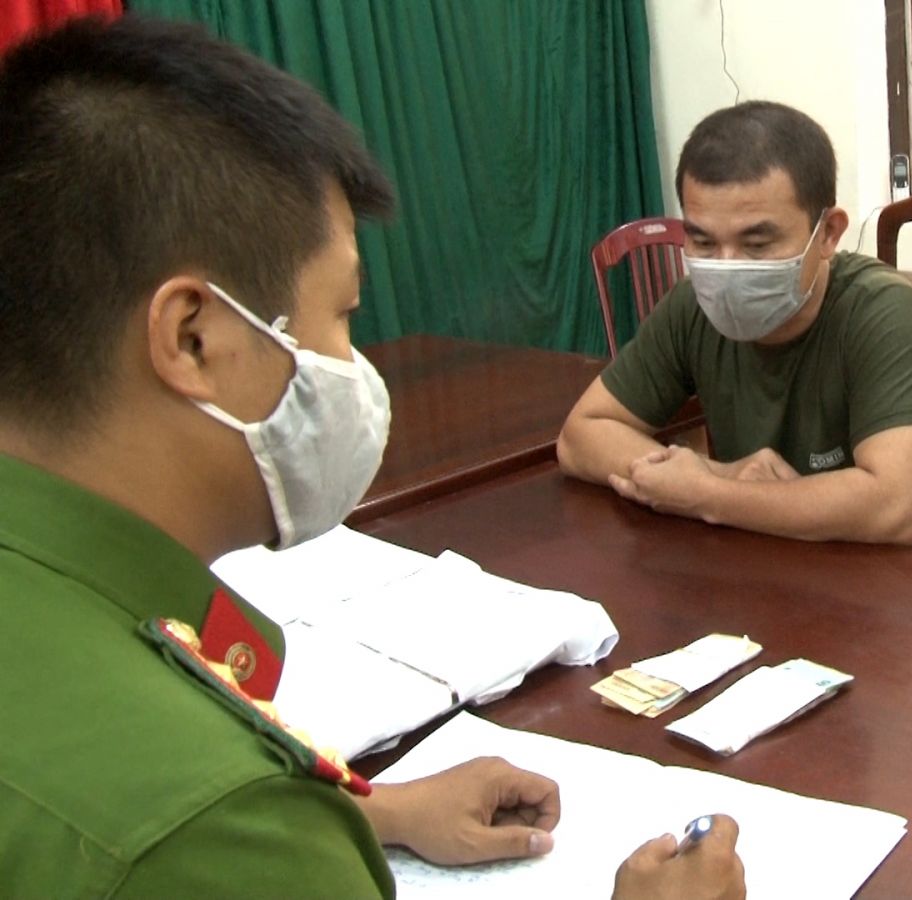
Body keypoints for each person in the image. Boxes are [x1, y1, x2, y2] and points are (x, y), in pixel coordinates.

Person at [0, 16, 743, 898]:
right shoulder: (223, 831)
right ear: (194, 338)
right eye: (343, 313)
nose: (353, 367)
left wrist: (372, 809)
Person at [557, 101, 912, 563]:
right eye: (703, 241)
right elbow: (581, 437)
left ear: (828, 234)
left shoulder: (883, 311)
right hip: (781, 558)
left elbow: (897, 509)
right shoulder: (691, 307)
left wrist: (706, 493)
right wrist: (718, 476)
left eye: (756, 244)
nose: (726, 268)